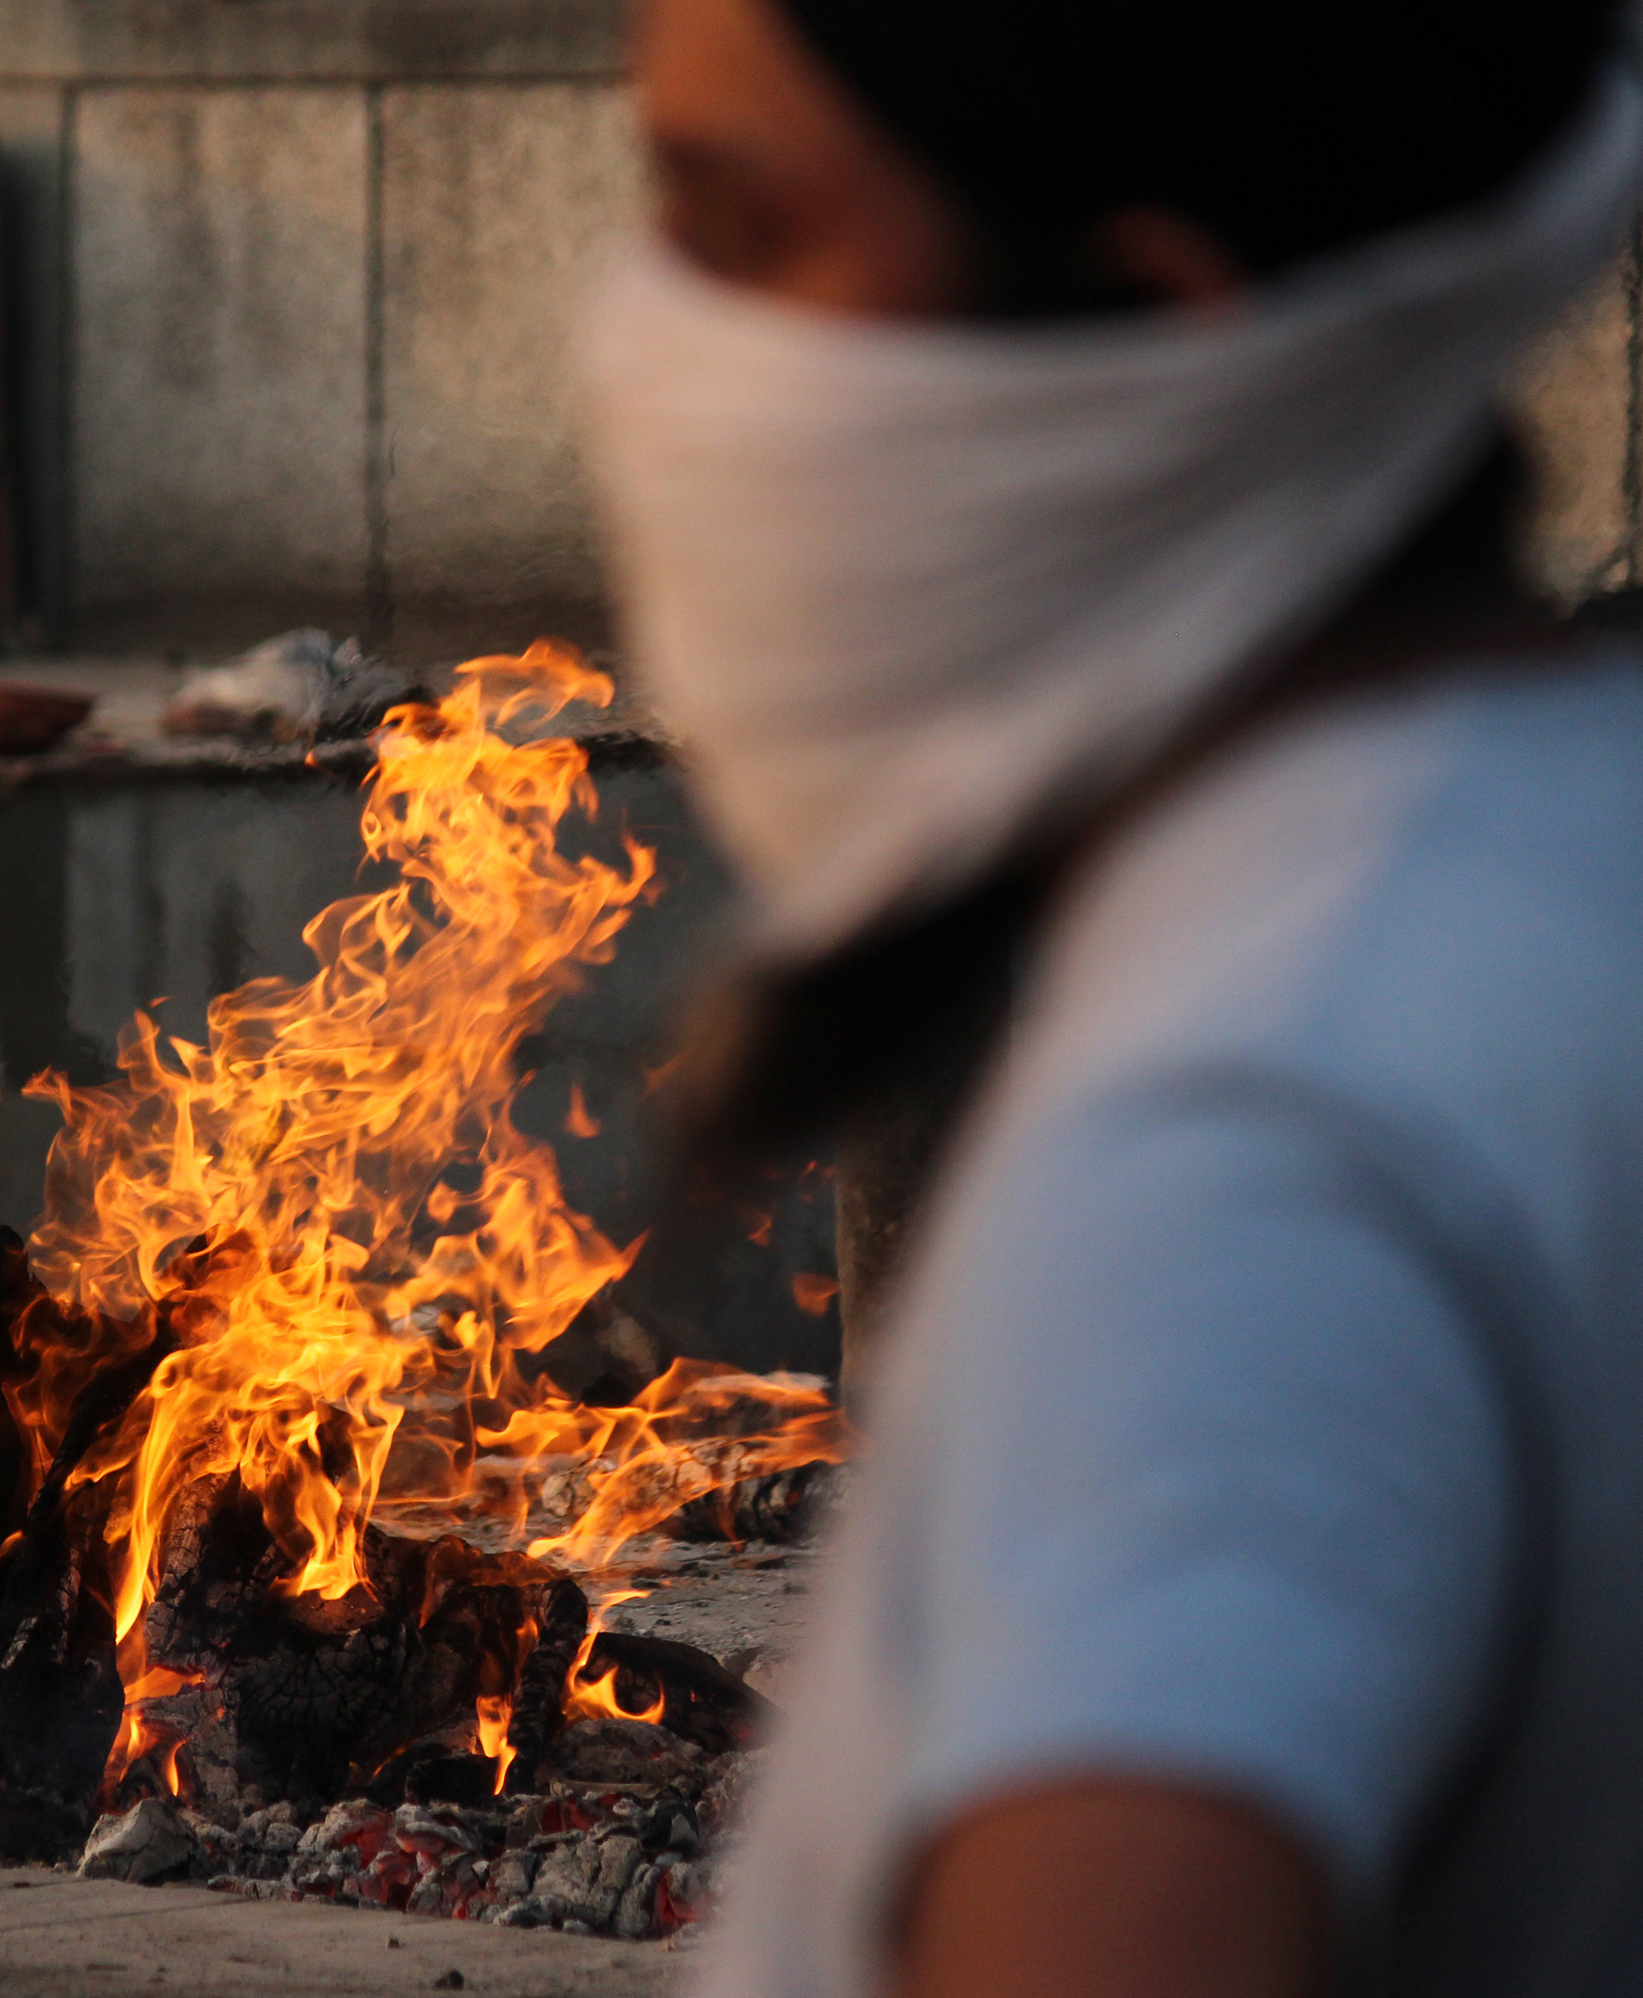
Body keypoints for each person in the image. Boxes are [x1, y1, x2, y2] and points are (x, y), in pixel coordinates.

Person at [577, 1, 1643, 1993]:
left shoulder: (1244, 1158)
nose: (643, 351)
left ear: (1157, 322)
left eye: (737, 231)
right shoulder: (1556, 861)